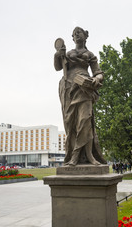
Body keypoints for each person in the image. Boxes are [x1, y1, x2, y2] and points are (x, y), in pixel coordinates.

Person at [54, 27, 107, 166]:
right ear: (72, 38)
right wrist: (57, 54)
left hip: (84, 87)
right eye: (74, 34)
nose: (77, 35)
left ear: (85, 36)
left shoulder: (89, 54)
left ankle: (86, 156)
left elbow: (98, 72)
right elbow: (58, 67)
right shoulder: (68, 53)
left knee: (85, 120)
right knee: (70, 123)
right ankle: (72, 155)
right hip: (68, 87)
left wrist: (97, 79)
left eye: (79, 33)